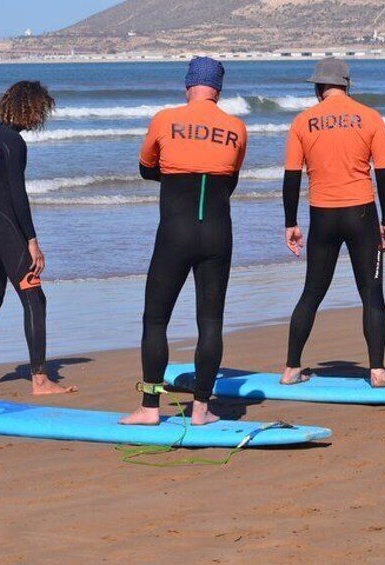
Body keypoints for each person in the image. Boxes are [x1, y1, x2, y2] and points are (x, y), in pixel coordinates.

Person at [120, 57, 248, 426]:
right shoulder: (236, 127)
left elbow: (147, 168)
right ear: (218, 90)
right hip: (218, 233)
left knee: (156, 320)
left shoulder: (165, 119)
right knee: (210, 321)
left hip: (175, 233)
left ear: (188, 85)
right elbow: (230, 181)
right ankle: (201, 410)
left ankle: (149, 408)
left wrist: (178, 175)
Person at [280, 58, 385, 388]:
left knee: (311, 293)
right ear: (348, 85)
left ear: (319, 87)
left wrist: (290, 222)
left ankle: (291, 368)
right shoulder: (370, 117)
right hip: (362, 215)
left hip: (321, 216)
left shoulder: (301, 122)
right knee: (371, 294)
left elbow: (291, 178)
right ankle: (377, 371)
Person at [0, 81, 77, 395]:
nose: (40, 119)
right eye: (40, 111)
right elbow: (16, 193)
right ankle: (40, 380)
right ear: (29, 109)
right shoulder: (14, 142)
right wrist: (32, 240)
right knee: (35, 298)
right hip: (6, 226)